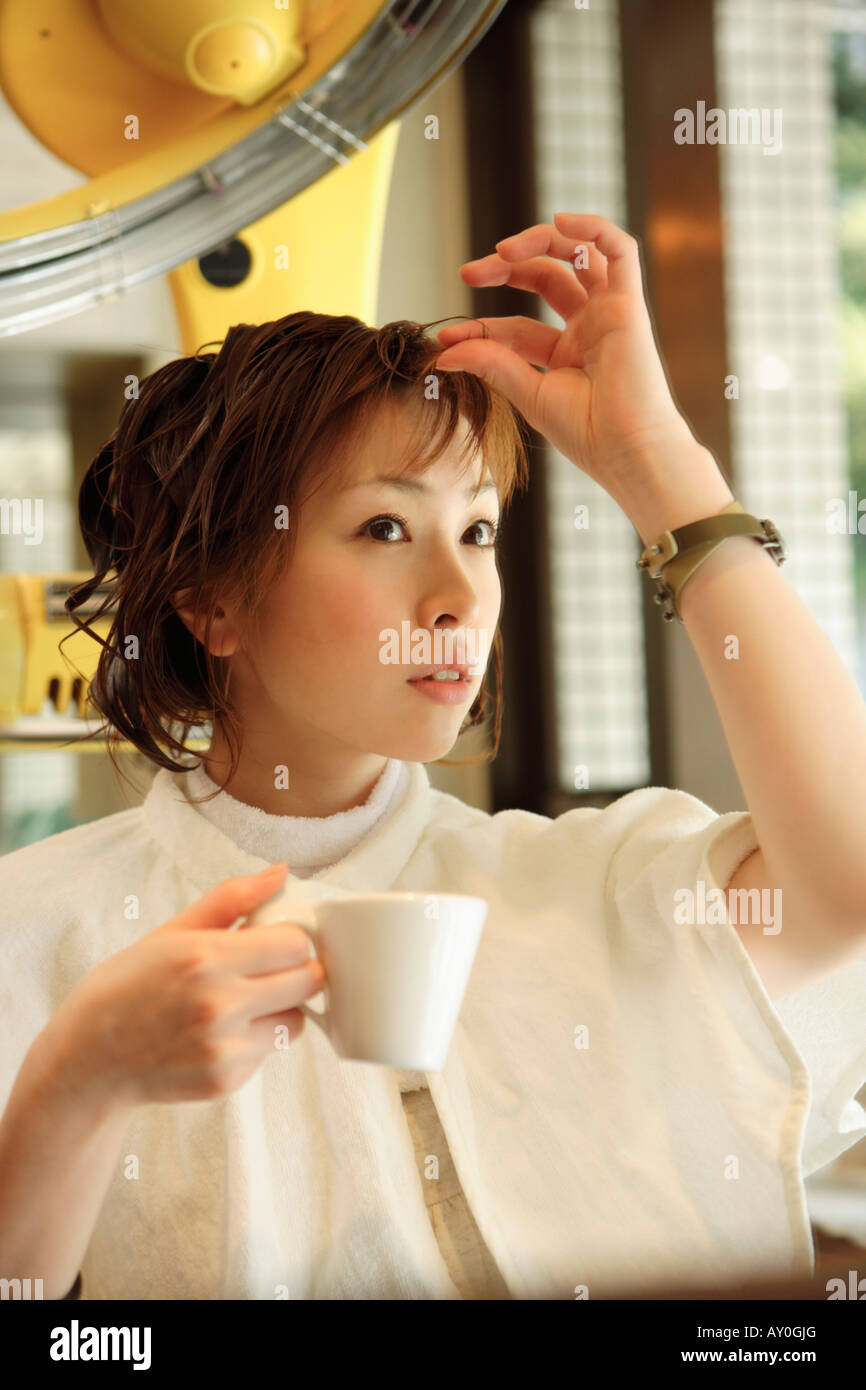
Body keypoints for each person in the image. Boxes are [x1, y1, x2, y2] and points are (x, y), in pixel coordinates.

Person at [0, 213, 864, 1302]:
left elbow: (847, 880)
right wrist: (75, 1084)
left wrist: (659, 468)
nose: (460, 600)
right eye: (383, 528)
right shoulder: (34, 934)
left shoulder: (592, 887)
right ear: (213, 603)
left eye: (478, 531)